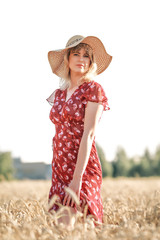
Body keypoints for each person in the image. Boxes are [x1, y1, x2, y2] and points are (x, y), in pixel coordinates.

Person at [46, 35, 112, 227]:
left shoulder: (93, 90)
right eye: (77, 54)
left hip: (82, 169)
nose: (82, 59)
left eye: (86, 56)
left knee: (86, 228)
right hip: (59, 168)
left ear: (90, 62)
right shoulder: (59, 94)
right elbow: (59, 131)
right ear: (67, 58)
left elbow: (89, 134)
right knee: (62, 230)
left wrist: (77, 180)